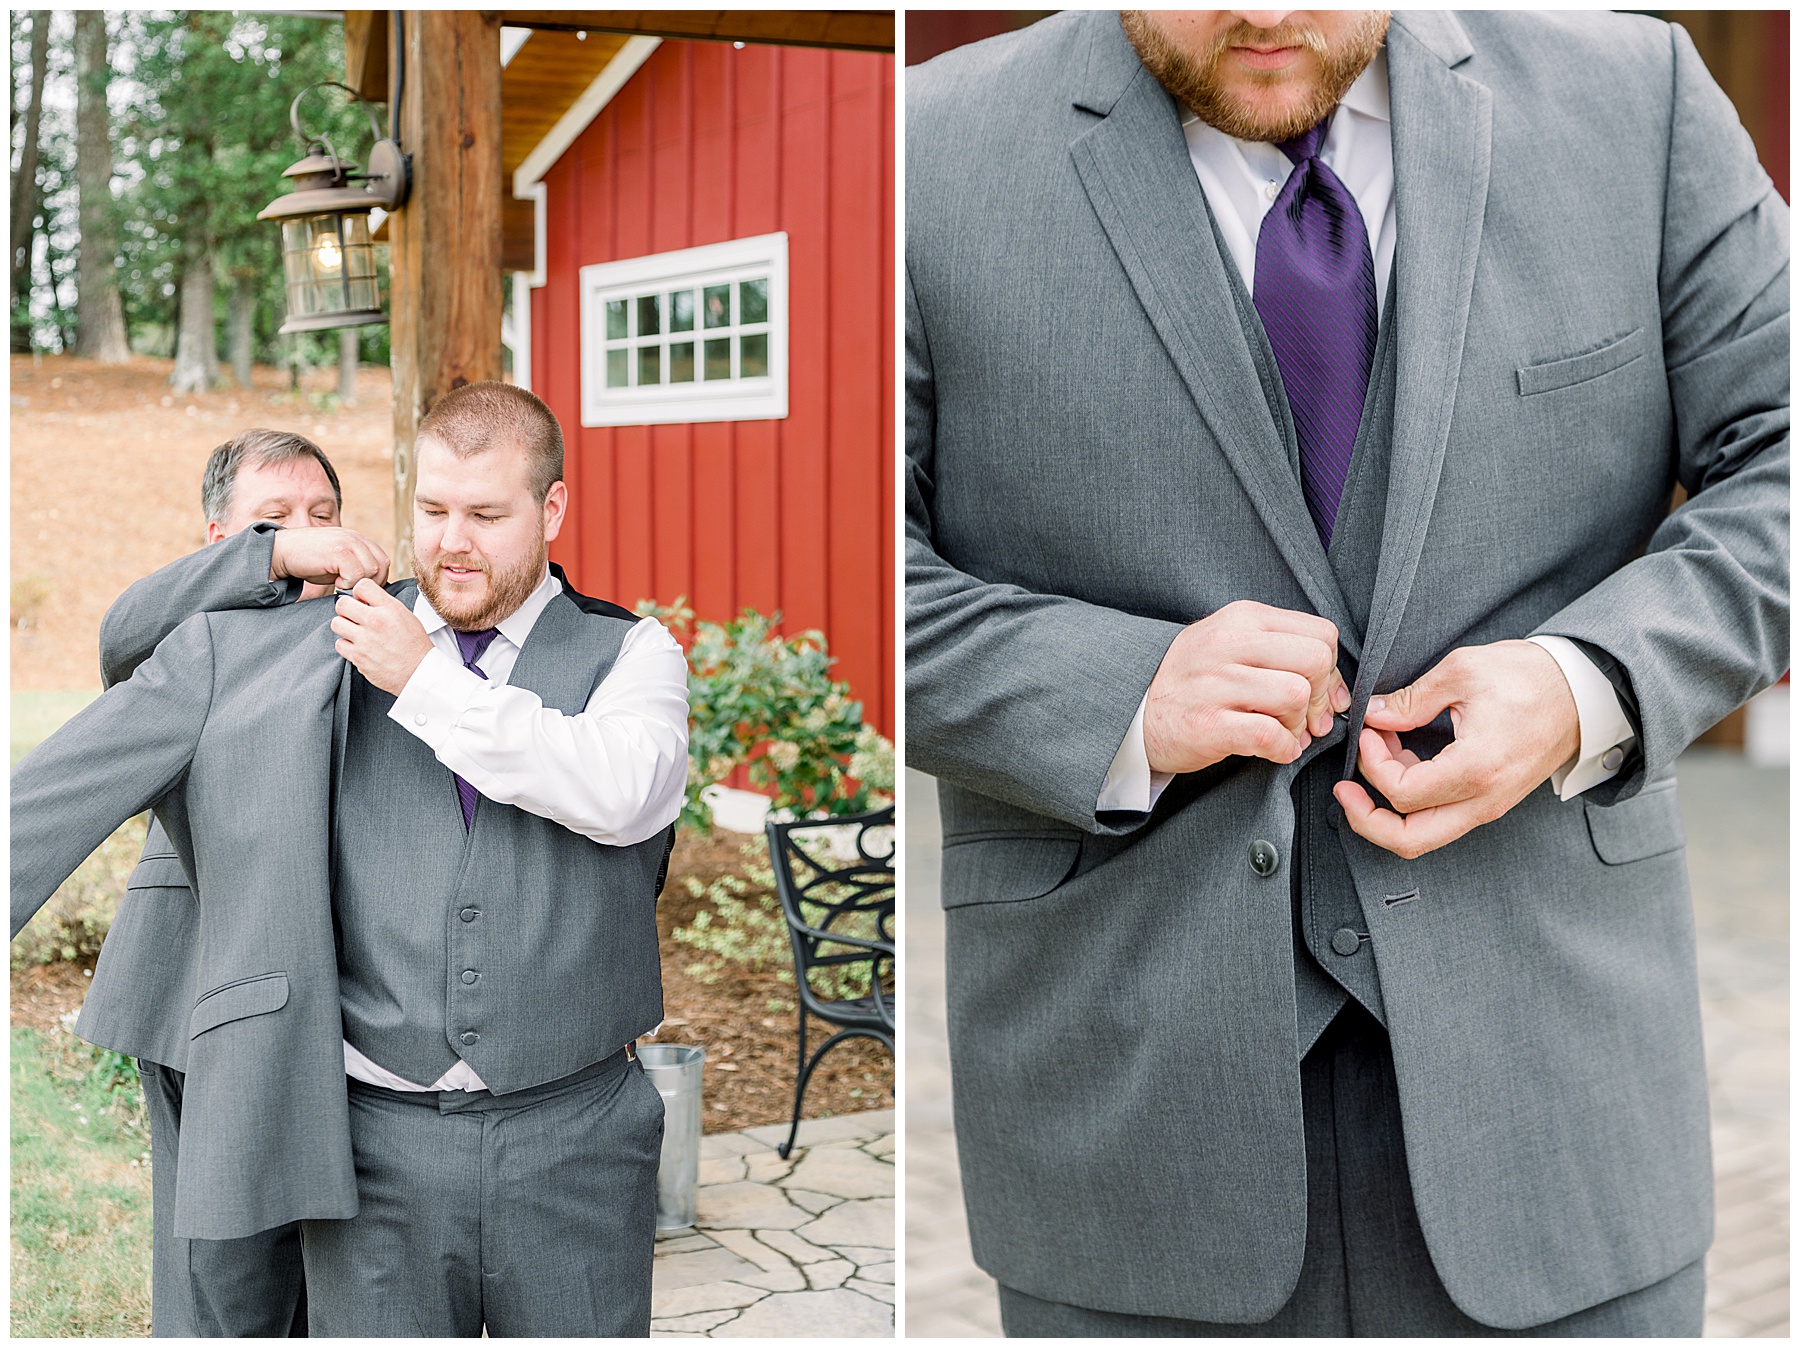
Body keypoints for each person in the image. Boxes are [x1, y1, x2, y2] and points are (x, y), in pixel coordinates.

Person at [907, 9, 1786, 1337]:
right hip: (1130, 1140)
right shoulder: (925, 147)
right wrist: (1113, 695)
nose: (1262, 12)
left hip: (1558, 1134)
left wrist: (1583, 684)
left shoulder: (1638, 96)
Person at [14, 382, 690, 1336]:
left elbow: (624, 791)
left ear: (551, 510)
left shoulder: (633, 655)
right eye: (432, 510)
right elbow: (54, 781)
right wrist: (272, 553)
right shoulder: (308, 644)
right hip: (373, 1160)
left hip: (576, 1143)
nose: (453, 542)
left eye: (486, 515)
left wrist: (425, 680)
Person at [76, 428, 388, 1337]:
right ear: (222, 540)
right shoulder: (194, 626)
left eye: (324, 514)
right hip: (196, 977)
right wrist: (283, 555)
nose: (313, 533)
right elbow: (118, 634)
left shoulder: (362, 626)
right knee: (220, 1256)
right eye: (275, 518)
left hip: (325, 987)